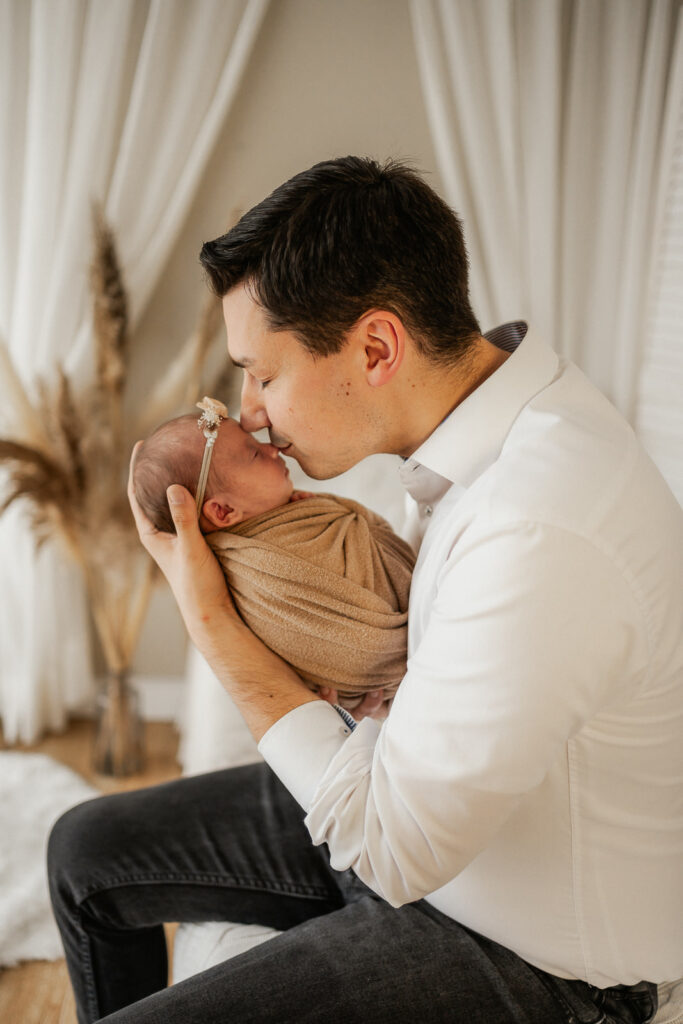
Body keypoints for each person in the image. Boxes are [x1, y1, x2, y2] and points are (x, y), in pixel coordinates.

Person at [48, 156, 682, 1024]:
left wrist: (211, 619)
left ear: (376, 347)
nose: (250, 411)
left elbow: (392, 849)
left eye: (262, 374)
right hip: (431, 814)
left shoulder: (539, 523)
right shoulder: (490, 422)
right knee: (85, 851)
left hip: (537, 955)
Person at [133, 398, 415, 705]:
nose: (272, 449)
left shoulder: (294, 513)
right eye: (254, 453)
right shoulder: (251, 571)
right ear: (224, 511)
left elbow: (360, 529)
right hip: (388, 654)